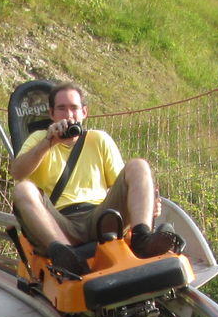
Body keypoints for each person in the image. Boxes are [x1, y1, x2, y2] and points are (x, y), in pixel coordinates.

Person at [9, 83, 180, 273]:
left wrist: (146, 206)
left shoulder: (99, 139)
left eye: (74, 108)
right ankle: (67, 256)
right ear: (51, 114)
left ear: (84, 112)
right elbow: (17, 172)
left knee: (139, 165)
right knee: (22, 189)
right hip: (59, 222)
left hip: (101, 218)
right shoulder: (39, 139)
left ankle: (143, 239)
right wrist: (48, 143)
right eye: (61, 108)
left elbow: (124, 186)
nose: (68, 115)